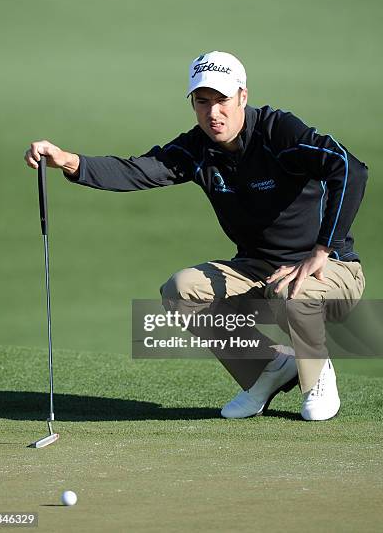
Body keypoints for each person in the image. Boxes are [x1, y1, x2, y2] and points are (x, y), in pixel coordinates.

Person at [24, 50, 368, 421]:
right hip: (258, 269)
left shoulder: (278, 132)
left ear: (242, 96)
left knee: (290, 293)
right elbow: (138, 170)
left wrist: (323, 248)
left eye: (221, 100)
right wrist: (69, 161)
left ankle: (316, 375)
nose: (213, 113)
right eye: (202, 102)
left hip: (330, 271)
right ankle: (270, 367)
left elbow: (349, 168)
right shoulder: (197, 149)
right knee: (181, 290)